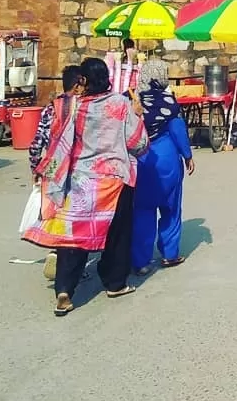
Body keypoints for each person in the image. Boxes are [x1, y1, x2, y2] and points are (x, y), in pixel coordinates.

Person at [22, 57, 149, 316]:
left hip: (79, 179)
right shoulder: (122, 105)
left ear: (84, 80)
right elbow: (138, 143)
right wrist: (138, 117)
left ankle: (65, 291)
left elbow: (55, 138)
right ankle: (115, 283)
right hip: (114, 179)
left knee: (73, 237)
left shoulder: (74, 106)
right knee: (118, 234)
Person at [131, 58, 194, 275]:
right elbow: (177, 129)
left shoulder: (129, 99)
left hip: (140, 161)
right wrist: (187, 155)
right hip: (167, 160)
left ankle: (140, 261)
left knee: (142, 212)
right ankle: (170, 254)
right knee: (171, 209)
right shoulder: (168, 101)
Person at [28, 65, 84, 282]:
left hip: (52, 165)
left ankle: (54, 250)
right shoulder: (82, 108)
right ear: (78, 84)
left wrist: (36, 168)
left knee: (54, 210)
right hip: (78, 166)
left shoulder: (51, 107)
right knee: (75, 214)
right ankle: (72, 262)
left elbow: (36, 143)